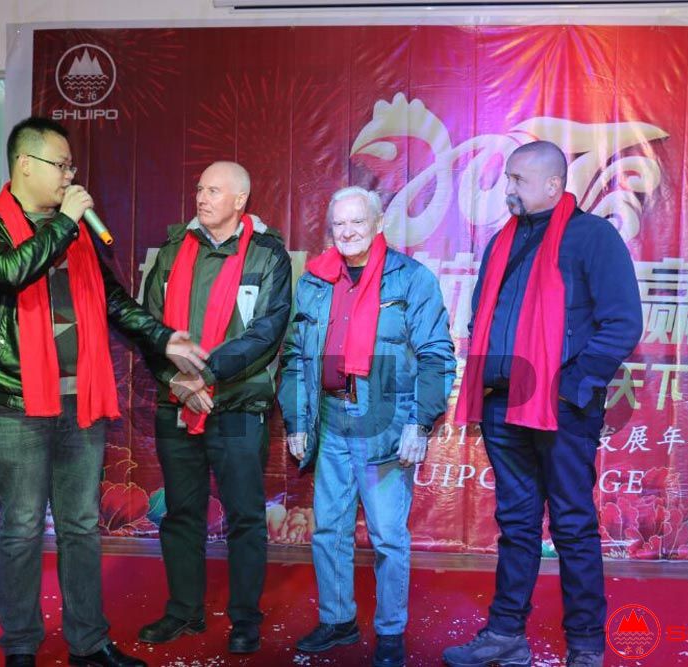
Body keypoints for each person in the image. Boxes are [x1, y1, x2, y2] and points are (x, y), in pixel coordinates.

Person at [0, 117, 206, 667]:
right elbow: (10, 272)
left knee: (80, 526)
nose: (71, 175)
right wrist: (67, 223)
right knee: (22, 526)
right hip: (15, 402)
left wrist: (164, 338)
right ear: (26, 165)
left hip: (80, 402)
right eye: (61, 165)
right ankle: (20, 646)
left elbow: (114, 301)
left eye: (72, 166)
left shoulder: (76, 233)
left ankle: (89, 643)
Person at [443, 141, 643, 667]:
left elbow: (622, 322)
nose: (507, 188)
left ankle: (586, 643)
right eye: (507, 178)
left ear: (554, 185)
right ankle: (506, 633)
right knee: (516, 524)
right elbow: (482, 318)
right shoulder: (502, 241)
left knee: (572, 525)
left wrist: (572, 386)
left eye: (518, 179)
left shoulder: (592, 237)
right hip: (502, 405)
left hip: (561, 409)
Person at [279, 187, 456, 667]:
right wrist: (297, 420)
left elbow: (436, 355)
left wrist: (420, 422)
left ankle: (391, 631)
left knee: (387, 536)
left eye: (358, 221)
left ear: (379, 224)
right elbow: (294, 357)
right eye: (339, 223)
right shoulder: (315, 281)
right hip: (329, 419)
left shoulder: (411, 279)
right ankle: (337, 619)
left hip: (385, 424)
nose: (348, 231)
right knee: (328, 530)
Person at [137, 161, 292, 654]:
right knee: (181, 513)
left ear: (240, 200)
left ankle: (245, 618)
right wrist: (177, 382)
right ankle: (184, 611)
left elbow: (266, 334)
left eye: (214, 190)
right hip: (177, 404)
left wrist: (203, 375)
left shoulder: (268, 255)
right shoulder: (171, 252)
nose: (202, 198)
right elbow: (149, 328)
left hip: (238, 406)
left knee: (245, 516)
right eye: (200, 189)